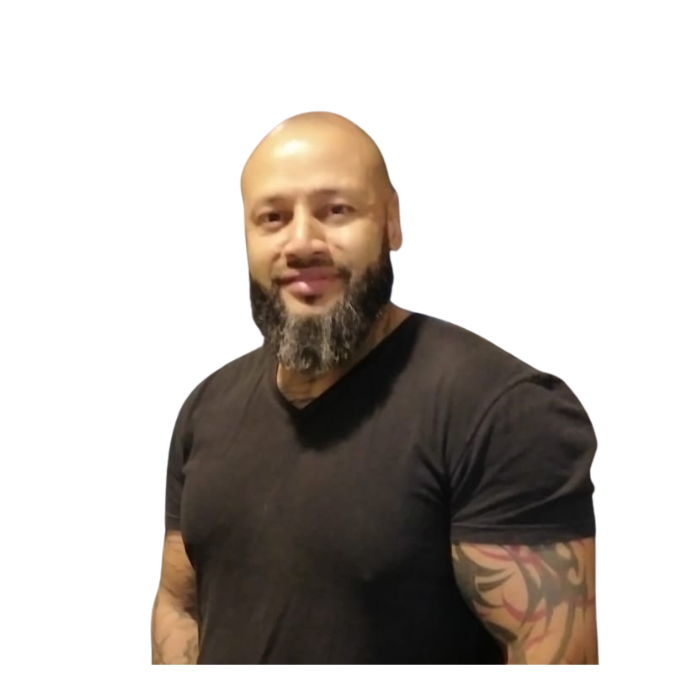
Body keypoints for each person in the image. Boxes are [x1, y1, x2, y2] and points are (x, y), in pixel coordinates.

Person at [150, 111, 599, 665]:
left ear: (391, 222)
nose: (301, 242)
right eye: (272, 217)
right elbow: (180, 605)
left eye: (335, 210)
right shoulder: (205, 411)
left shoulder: (503, 412)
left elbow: (551, 660)